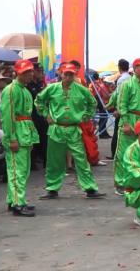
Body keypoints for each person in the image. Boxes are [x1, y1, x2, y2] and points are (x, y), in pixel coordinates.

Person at [35, 63, 105, 199]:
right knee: (54, 161)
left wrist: (85, 116)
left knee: (81, 159)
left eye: (71, 74)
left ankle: (90, 188)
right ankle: (52, 188)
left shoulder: (81, 90)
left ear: (74, 75)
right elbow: (39, 101)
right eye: (66, 74)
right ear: (61, 74)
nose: (68, 77)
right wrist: (46, 114)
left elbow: (93, 103)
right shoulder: (52, 88)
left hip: (74, 129)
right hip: (56, 129)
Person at [0, 60, 40, 216]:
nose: (29, 74)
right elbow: (7, 116)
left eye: (30, 71)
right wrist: (12, 138)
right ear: (17, 73)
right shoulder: (11, 90)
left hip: (25, 133)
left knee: (20, 170)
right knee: (18, 171)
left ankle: (14, 200)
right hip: (17, 133)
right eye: (25, 72)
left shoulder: (24, 90)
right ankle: (18, 203)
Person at [113, 58, 140, 195]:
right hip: (130, 120)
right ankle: (120, 183)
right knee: (123, 153)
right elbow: (122, 105)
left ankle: (139, 181)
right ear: (135, 68)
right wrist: (126, 123)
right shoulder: (127, 84)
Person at [27, 63, 48, 169]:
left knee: (44, 138)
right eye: (38, 71)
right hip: (32, 116)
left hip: (42, 116)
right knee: (33, 140)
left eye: (41, 71)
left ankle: (46, 162)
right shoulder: (28, 86)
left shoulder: (42, 84)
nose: (41, 73)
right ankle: (32, 162)